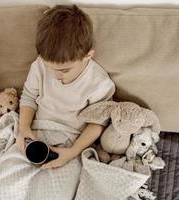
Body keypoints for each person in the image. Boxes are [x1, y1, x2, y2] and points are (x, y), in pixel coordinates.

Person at [16, 4, 115, 169]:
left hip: (72, 140)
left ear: (87, 56)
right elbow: (29, 97)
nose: (55, 75)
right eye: (49, 68)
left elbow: (98, 123)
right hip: (35, 132)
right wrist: (24, 130)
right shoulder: (39, 65)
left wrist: (71, 152)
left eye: (64, 70)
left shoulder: (99, 84)